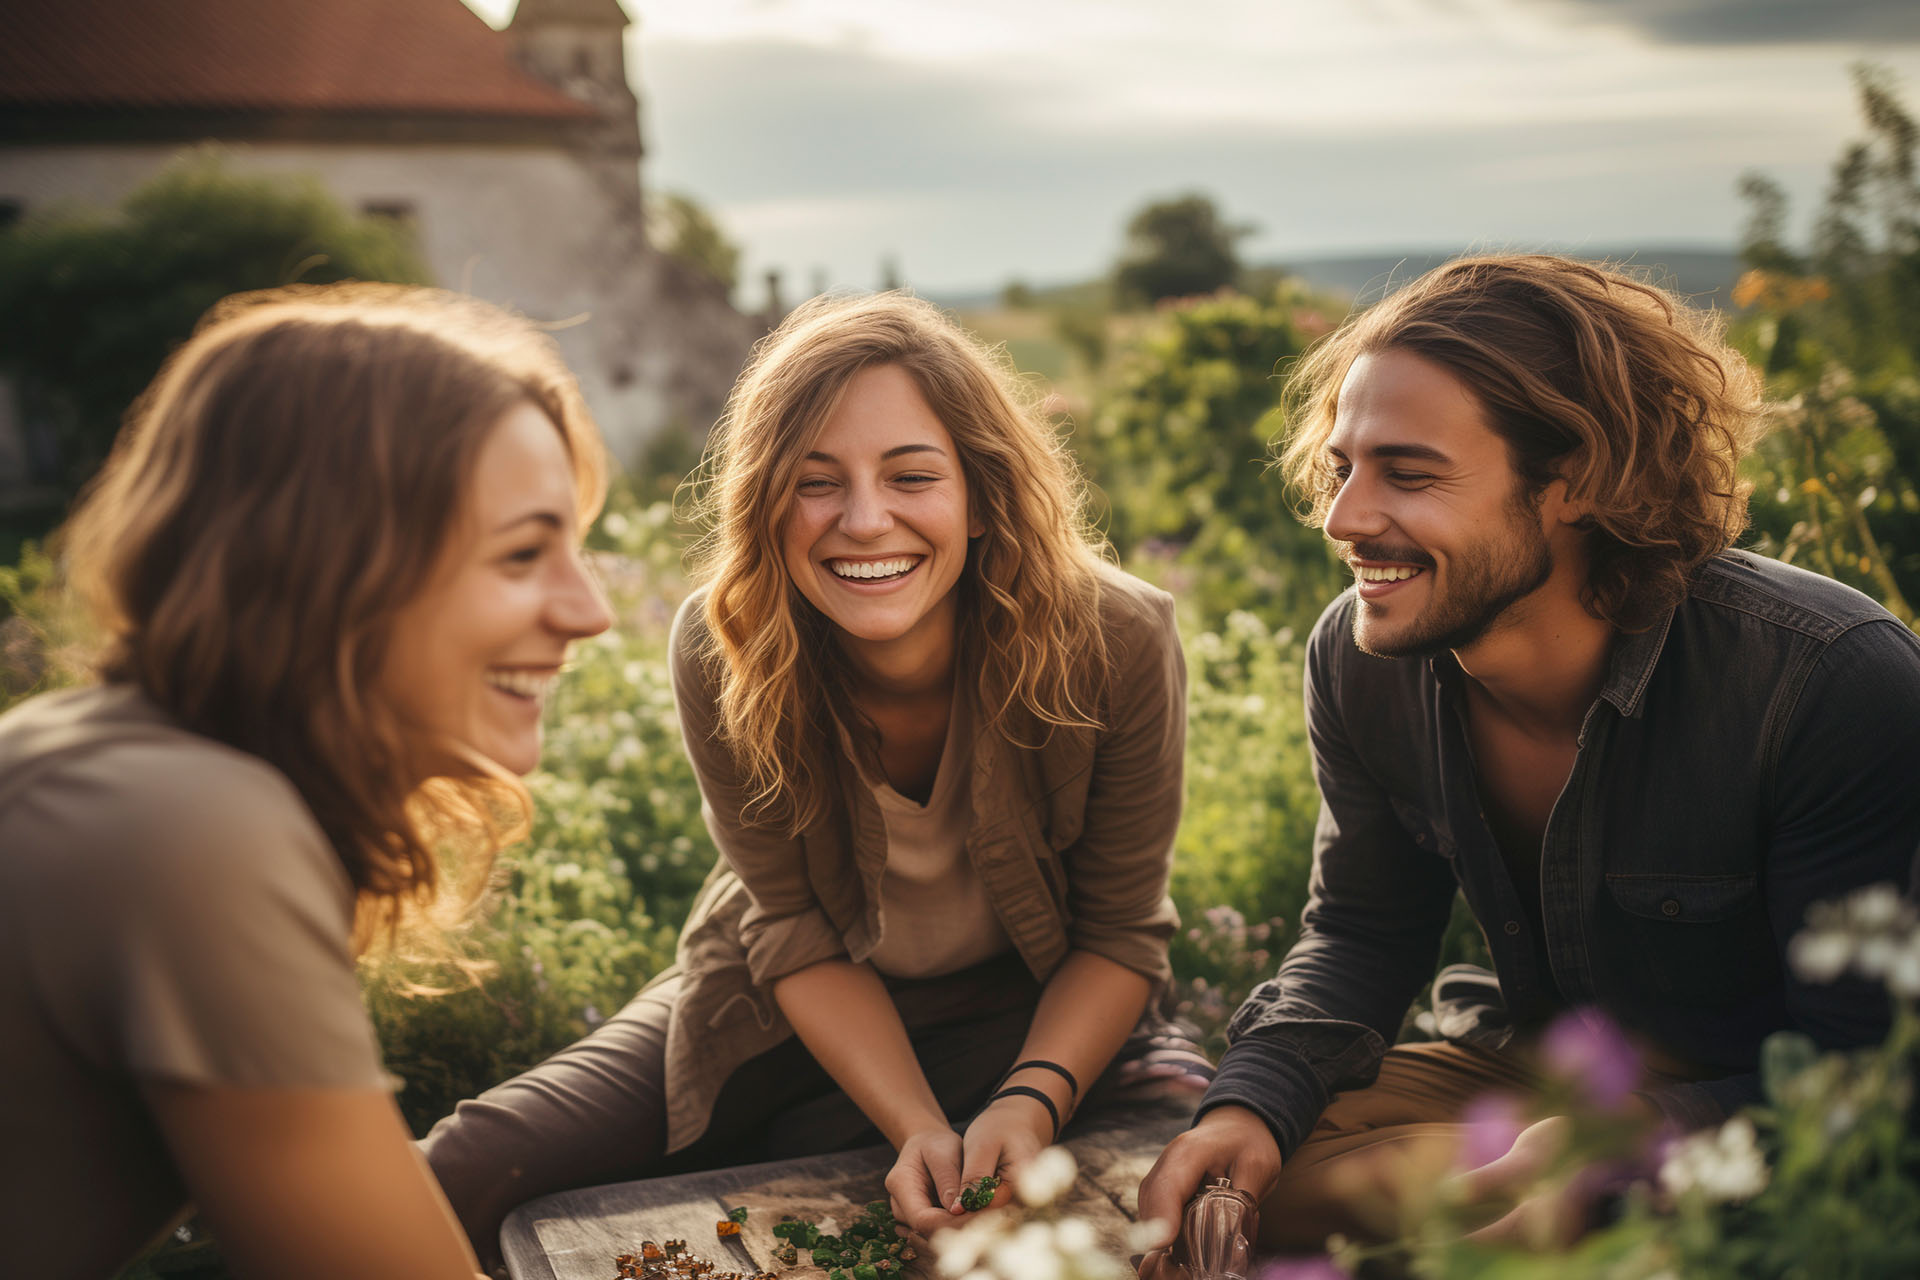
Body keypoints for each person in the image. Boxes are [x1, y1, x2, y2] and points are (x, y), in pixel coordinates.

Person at [1137, 254, 1920, 1258]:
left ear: (1577, 480)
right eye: (1344, 466)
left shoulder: (1825, 680)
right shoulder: (1361, 655)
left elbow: (1871, 1073)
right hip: (1532, 1076)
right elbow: (1364, 929)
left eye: (1409, 473)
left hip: (1766, 1119)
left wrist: (1635, 1148)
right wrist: (1246, 1102)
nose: (1344, 519)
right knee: (1249, 1181)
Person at [423, 291, 1208, 1270]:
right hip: (785, 996)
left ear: (982, 496)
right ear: (766, 499)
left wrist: (1030, 1095)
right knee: (466, 1166)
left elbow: (1121, 932)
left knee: (1182, 1206)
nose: (864, 520)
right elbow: (789, 923)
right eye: (815, 481)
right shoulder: (728, 642)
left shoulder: (1117, 636)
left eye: (913, 475)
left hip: (1029, 1005)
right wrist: (914, 1123)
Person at [0, 284, 615, 1280]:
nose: (589, 611)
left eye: (575, 546)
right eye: (521, 553)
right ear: (330, 566)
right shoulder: (191, 828)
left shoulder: (129, 761)